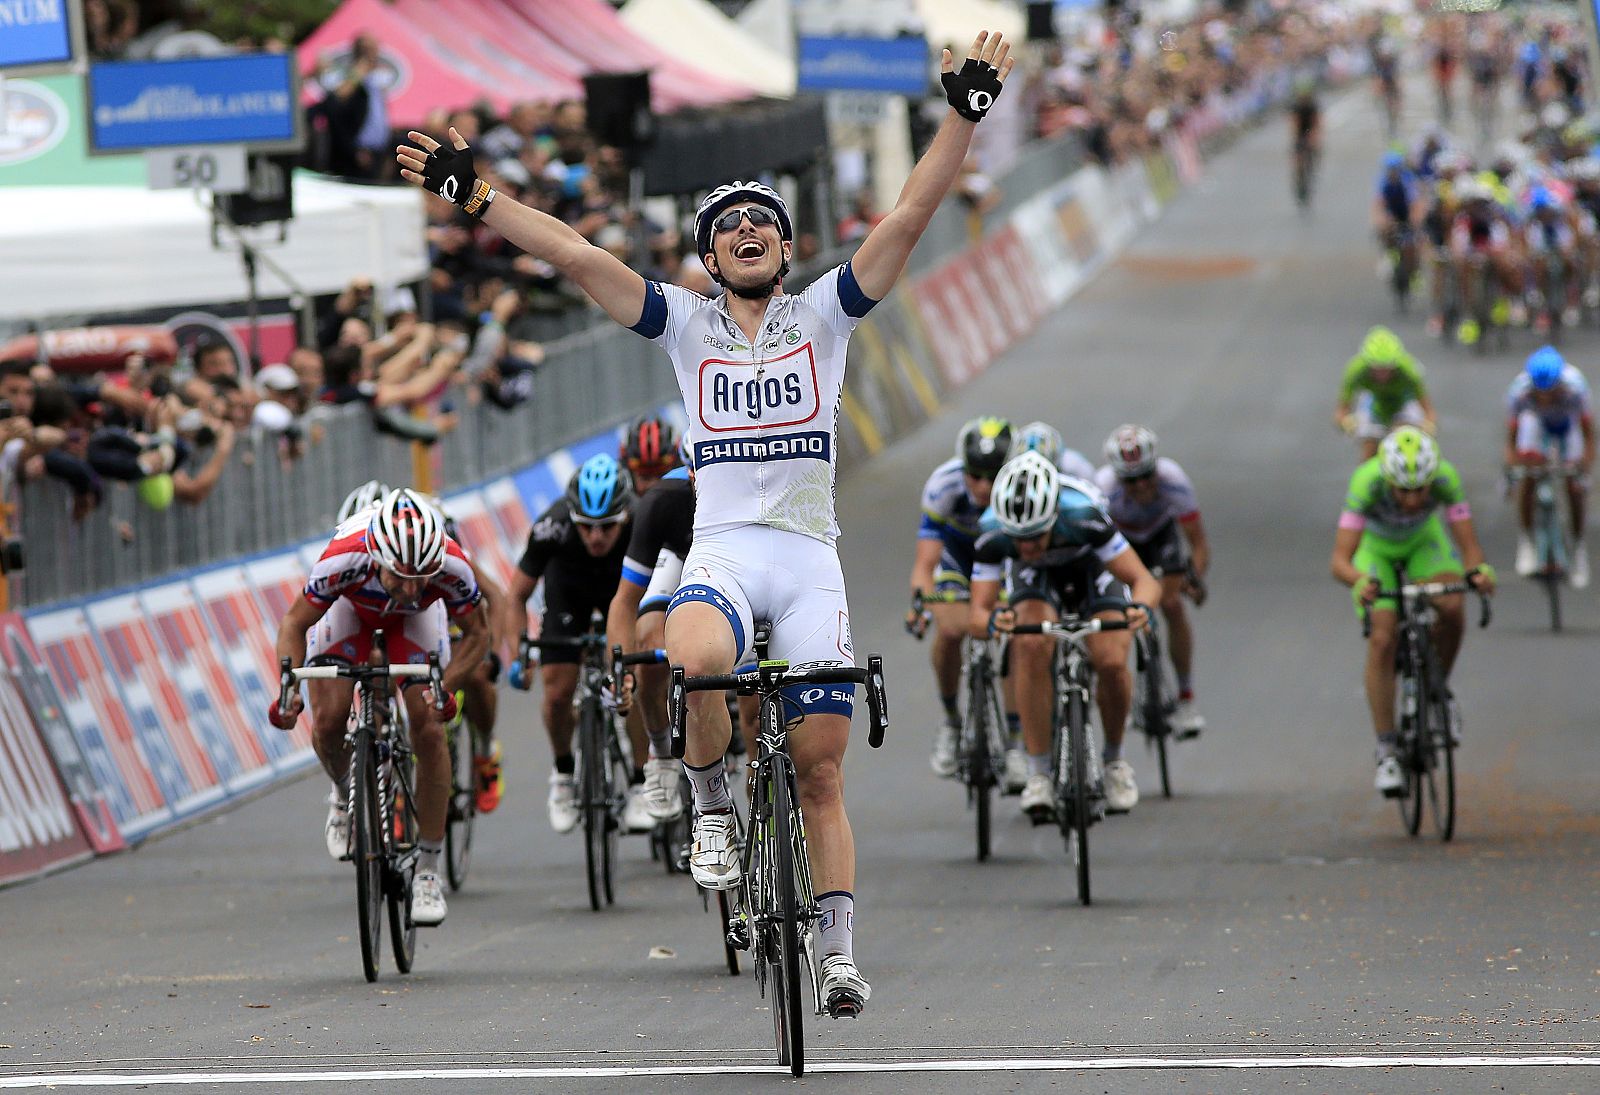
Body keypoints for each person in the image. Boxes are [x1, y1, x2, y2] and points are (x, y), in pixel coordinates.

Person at [398, 29, 1016, 1018]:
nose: (745, 229)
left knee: (819, 769)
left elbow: (911, 210)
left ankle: (839, 952)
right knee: (686, 661)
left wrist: (962, 116)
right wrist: (481, 199)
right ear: (707, 254)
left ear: (781, 242)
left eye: (760, 220)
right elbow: (573, 250)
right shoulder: (681, 323)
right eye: (726, 224)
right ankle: (712, 807)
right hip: (725, 553)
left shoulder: (825, 315)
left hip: (808, 558)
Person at [269, 488, 487, 926]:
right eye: (399, 577)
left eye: (419, 578)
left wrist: (447, 687)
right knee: (328, 722)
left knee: (427, 728)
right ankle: (343, 792)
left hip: (416, 624)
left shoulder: (450, 564)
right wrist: (288, 687)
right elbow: (295, 622)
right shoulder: (344, 558)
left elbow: (479, 635)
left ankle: (427, 870)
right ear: (376, 558)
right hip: (351, 612)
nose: (410, 589)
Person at [969, 452, 1161, 820]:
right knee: (1029, 643)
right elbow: (978, 613)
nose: (1027, 546)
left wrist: (1140, 608)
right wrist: (996, 622)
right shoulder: (992, 530)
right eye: (1018, 538)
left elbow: (1142, 581)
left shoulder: (1084, 515)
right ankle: (1039, 771)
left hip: (1089, 570)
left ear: (1054, 516)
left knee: (1110, 657)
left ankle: (1115, 763)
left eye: (1036, 535)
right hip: (1035, 579)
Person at [1329, 428, 1494, 797]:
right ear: (1388, 481)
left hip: (1425, 543)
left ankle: (1437, 692)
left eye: (1421, 489)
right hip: (1377, 550)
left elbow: (1469, 546)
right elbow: (1339, 560)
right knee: (1383, 638)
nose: (1414, 498)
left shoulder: (1445, 478)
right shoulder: (1366, 481)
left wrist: (1479, 573)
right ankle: (1387, 748)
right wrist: (1358, 581)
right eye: (1403, 490)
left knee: (1452, 604)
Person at [508, 455, 651, 833]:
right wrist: (521, 651)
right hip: (567, 594)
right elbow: (516, 596)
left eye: (606, 526)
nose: (596, 536)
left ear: (624, 516)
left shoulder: (642, 523)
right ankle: (562, 774)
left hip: (623, 594)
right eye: (586, 527)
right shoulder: (550, 526)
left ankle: (641, 780)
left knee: (629, 680)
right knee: (556, 694)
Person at [907, 417, 1011, 780]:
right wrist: (921, 602)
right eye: (975, 475)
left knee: (1014, 630)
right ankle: (952, 722)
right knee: (950, 632)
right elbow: (925, 564)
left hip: (1004, 557)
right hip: (957, 557)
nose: (983, 485)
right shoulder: (944, 484)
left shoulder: (1018, 485)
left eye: (993, 475)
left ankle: (1015, 740)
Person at [1095, 425, 1210, 738]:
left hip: (1160, 538)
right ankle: (1126, 688)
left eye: (1147, 475)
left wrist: (1194, 578)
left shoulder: (1173, 479)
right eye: (1131, 479)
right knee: (1118, 615)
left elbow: (1198, 542)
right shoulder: (1103, 488)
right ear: (1118, 476)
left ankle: (1186, 698)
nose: (1142, 485)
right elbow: (1094, 549)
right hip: (1120, 543)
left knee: (1172, 604)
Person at [1505, 347, 1593, 586]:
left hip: (1567, 427)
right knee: (1529, 477)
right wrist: (1516, 467)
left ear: (1560, 383)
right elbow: (1512, 438)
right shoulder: (1519, 392)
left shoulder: (1576, 389)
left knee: (1575, 486)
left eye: (1551, 391)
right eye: (1539, 392)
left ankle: (1578, 548)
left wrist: (1584, 463)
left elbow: (1587, 432)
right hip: (1536, 425)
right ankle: (1527, 541)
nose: (1544, 397)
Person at [1334, 326, 1436, 461]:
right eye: (1377, 369)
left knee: (1405, 442)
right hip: (1372, 401)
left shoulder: (1410, 371)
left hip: (1403, 401)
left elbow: (1427, 409)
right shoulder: (1355, 371)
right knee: (1368, 446)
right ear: (1367, 364)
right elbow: (1341, 411)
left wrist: (1428, 425)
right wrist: (1347, 423)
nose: (1382, 375)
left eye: (1387, 369)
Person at [1289, 77, 1321, 208]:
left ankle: (1311, 170)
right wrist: (1296, 140)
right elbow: (1293, 124)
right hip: (1300, 132)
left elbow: (1317, 123)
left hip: (1310, 130)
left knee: (1315, 151)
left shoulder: (1313, 105)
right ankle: (1299, 181)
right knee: (1297, 159)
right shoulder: (1295, 106)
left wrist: (1314, 139)